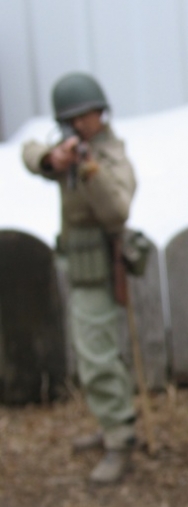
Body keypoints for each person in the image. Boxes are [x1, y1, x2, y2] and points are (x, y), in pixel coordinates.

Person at [21, 72, 137, 484]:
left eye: (86, 116)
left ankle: (120, 438)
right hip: (79, 267)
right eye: (73, 119)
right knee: (92, 351)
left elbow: (117, 210)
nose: (81, 124)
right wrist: (54, 160)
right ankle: (111, 425)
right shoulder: (69, 148)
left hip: (102, 270)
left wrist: (87, 170)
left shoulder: (108, 157)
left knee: (98, 355)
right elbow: (30, 151)